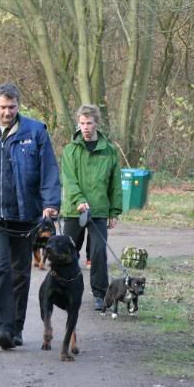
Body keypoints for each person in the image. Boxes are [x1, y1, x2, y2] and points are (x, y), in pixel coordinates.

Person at [0, 83, 61, 350]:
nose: (7, 112)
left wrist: (51, 202)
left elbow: (49, 169)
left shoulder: (35, 131)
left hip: (26, 214)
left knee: (20, 272)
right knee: (0, 269)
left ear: (19, 106)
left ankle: (16, 328)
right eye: (3, 107)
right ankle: (3, 328)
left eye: (12, 107)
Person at [61, 104, 122, 311]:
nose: (85, 127)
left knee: (97, 252)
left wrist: (114, 211)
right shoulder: (70, 150)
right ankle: (64, 288)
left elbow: (115, 184)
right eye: (82, 123)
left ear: (96, 123)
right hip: (73, 210)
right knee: (68, 251)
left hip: (98, 210)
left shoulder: (110, 152)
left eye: (89, 123)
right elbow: (68, 179)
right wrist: (78, 199)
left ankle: (100, 294)